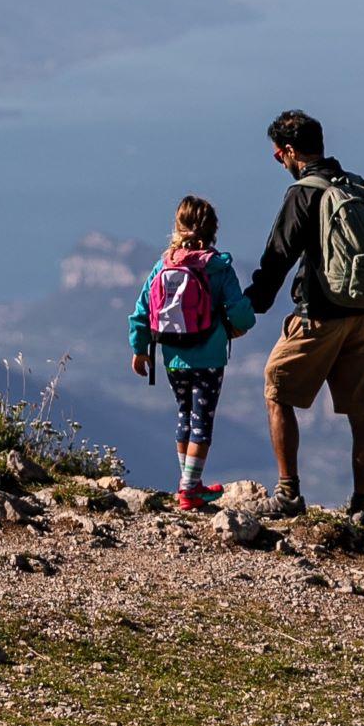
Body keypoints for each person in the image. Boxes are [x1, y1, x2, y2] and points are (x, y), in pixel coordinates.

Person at [244, 109, 364, 524]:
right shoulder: (358, 186)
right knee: (361, 413)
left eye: (279, 154)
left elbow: (278, 256)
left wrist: (250, 306)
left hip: (320, 316)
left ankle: (288, 493)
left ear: (292, 151)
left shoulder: (305, 192)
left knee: (276, 387)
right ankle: (360, 505)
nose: (279, 161)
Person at [129, 195, 257, 512]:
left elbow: (141, 311)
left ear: (177, 227)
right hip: (209, 357)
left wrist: (139, 349)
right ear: (213, 231)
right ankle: (190, 490)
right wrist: (242, 325)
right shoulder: (218, 267)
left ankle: (188, 483)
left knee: (184, 414)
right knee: (203, 420)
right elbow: (239, 310)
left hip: (172, 356)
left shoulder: (164, 265)